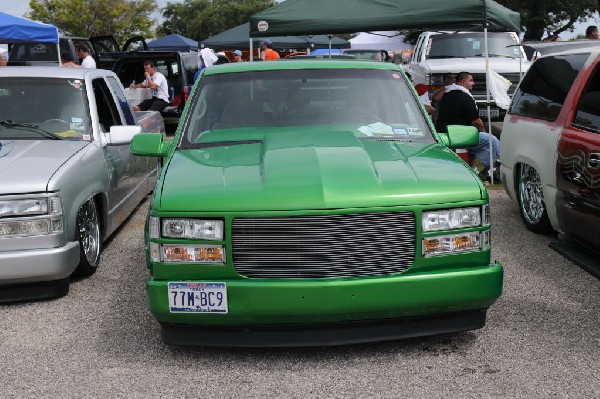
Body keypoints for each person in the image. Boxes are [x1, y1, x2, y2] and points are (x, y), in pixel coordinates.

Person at [435, 71, 500, 182]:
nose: (473, 83)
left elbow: (435, 99)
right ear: (463, 81)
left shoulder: (447, 94)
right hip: (460, 135)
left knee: (482, 144)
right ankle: (479, 170)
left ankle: (475, 169)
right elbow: (476, 121)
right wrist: (483, 132)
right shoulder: (465, 97)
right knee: (491, 141)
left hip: (444, 133)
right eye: (471, 80)